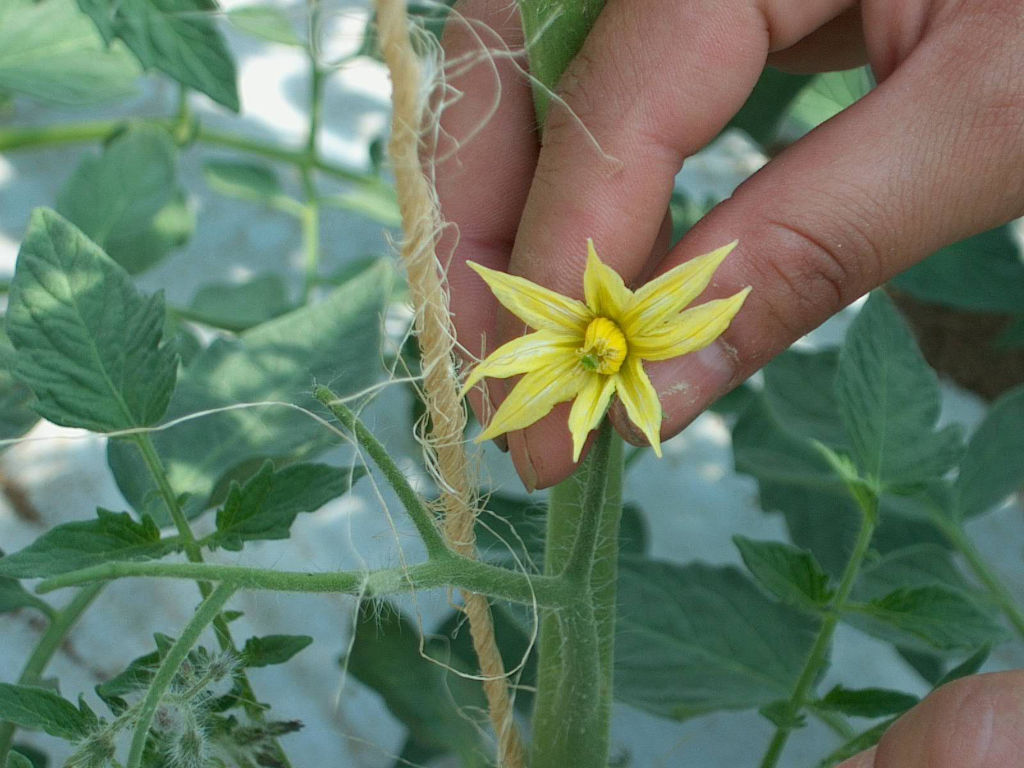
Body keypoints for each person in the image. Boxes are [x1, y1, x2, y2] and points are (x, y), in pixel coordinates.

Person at [437, 2, 1024, 763]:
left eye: (600, 353)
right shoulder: (590, 354)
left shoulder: (615, 356)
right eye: (599, 356)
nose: (599, 357)